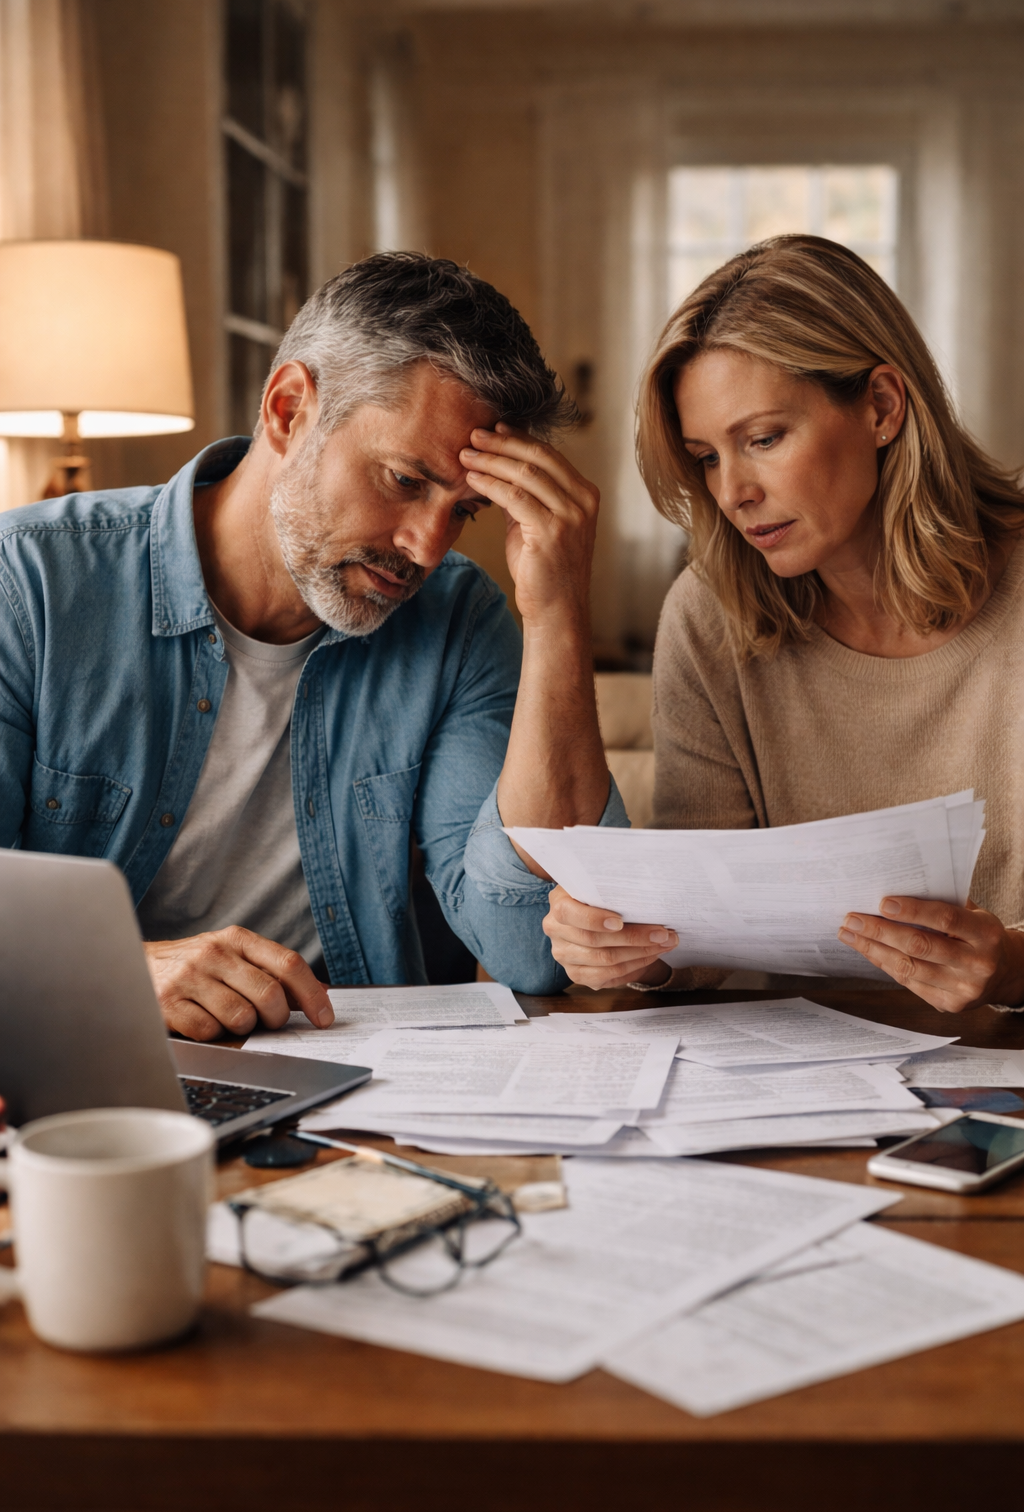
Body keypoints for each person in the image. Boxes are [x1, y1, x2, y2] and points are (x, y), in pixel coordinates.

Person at [0, 253, 620, 1041]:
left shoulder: (459, 620)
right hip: (89, 1058)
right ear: (289, 410)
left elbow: (530, 948)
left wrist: (560, 610)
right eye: (404, 480)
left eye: (464, 511)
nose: (426, 548)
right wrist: (115, 969)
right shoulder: (29, 588)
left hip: (364, 1085)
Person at [544, 233, 1024, 1013]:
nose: (733, 493)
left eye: (763, 439)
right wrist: (630, 948)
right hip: (811, 1084)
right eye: (706, 457)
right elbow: (698, 934)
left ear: (881, 407)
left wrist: (1011, 965)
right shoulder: (708, 617)